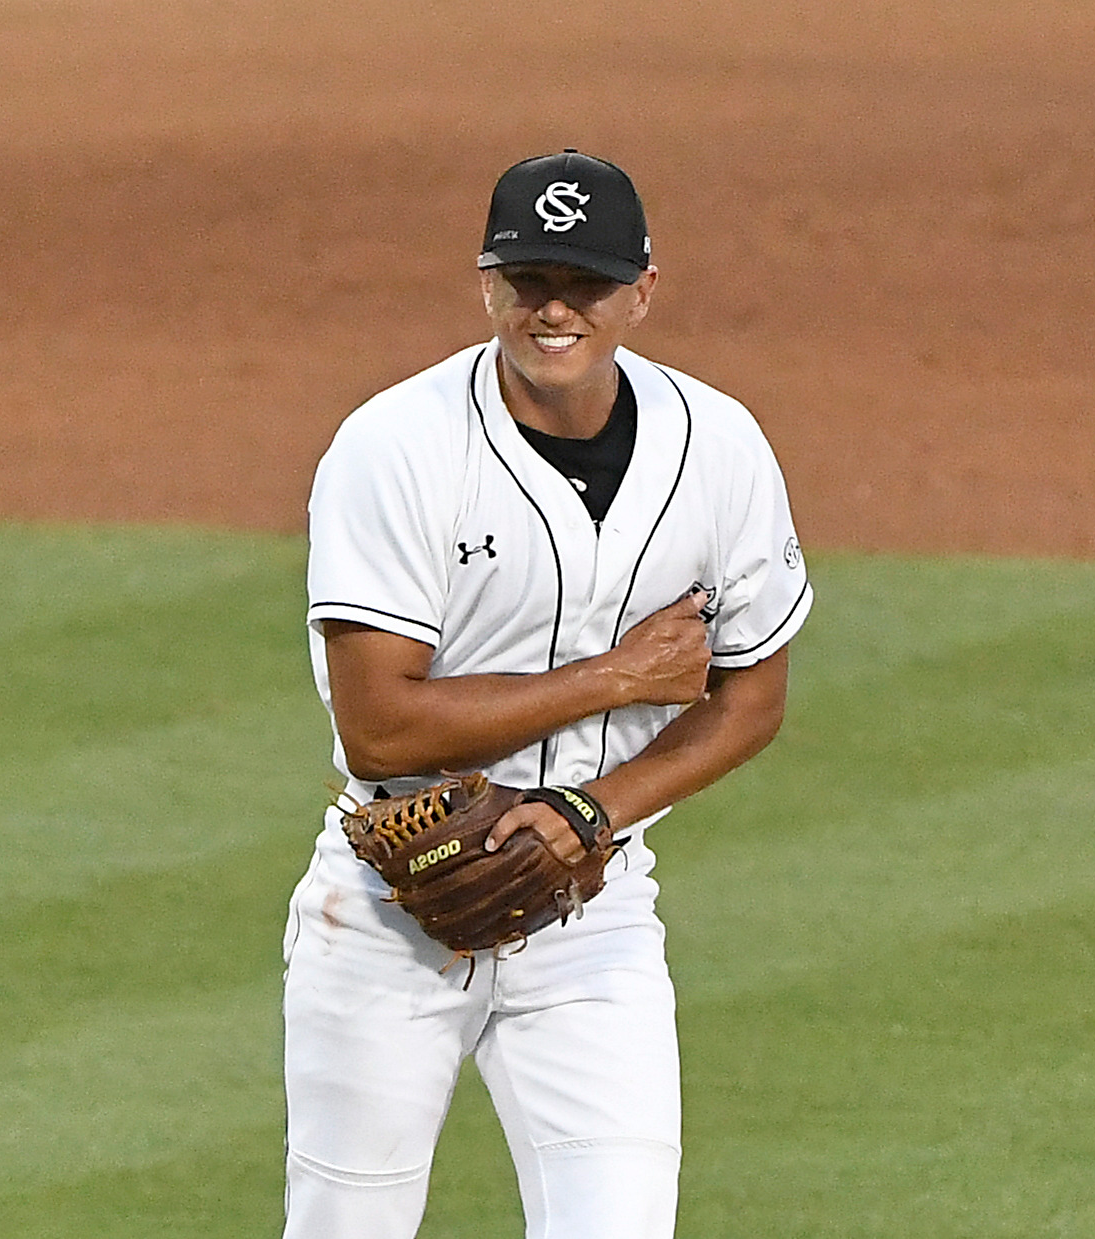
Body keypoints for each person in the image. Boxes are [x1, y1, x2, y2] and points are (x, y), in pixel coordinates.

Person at [282, 149, 813, 1239]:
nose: (555, 309)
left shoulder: (719, 446)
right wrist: (616, 678)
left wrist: (593, 811)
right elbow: (380, 727)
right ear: (488, 282)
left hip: (592, 911)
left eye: (587, 282)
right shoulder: (396, 447)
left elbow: (753, 695)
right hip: (390, 909)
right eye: (529, 279)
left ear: (642, 291)